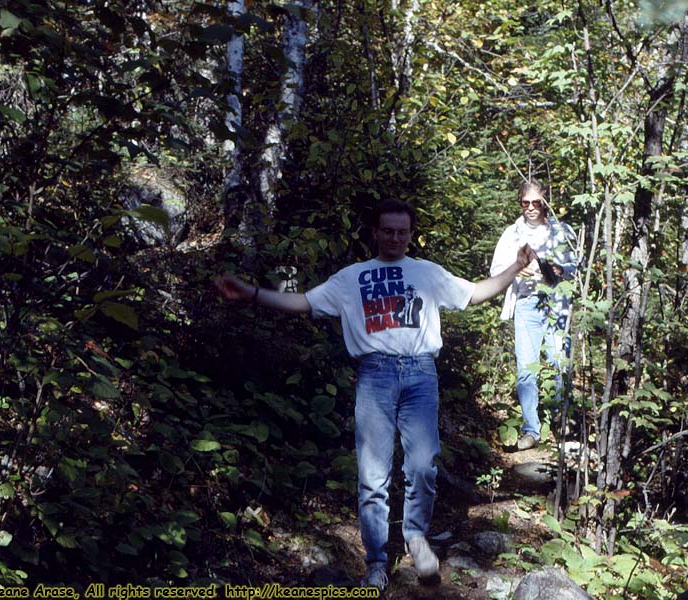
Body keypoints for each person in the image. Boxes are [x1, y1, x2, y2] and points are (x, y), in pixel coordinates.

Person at [215, 199, 537, 592]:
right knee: (372, 476)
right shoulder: (353, 278)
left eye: (402, 231)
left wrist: (517, 267)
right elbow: (303, 302)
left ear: (410, 234)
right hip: (375, 376)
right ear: (376, 232)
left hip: (421, 373)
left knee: (422, 465)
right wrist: (251, 294)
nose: (395, 238)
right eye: (388, 230)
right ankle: (375, 563)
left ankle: (416, 537)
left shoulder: (426, 273)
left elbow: (474, 293)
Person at [489, 179, 579, 451]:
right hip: (527, 303)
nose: (530, 208)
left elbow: (576, 263)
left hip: (556, 302)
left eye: (535, 202)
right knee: (526, 367)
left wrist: (557, 269)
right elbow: (496, 270)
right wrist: (518, 269)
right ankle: (532, 429)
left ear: (545, 202)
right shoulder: (512, 234)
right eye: (524, 202)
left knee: (558, 361)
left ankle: (561, 420)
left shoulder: (562, 231)